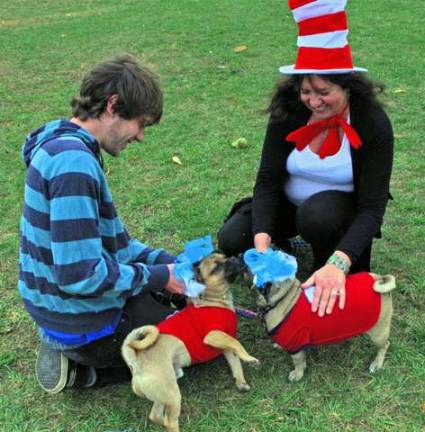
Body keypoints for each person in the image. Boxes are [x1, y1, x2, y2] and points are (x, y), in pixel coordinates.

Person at [18, 54, 186, 394]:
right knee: (188, 341)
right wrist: (161, 277)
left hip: (55, 306)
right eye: (141, 123)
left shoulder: (60, 143)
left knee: (157, 291)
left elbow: (116, 247)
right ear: (114, 104)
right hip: (75, 315)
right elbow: (81, 275)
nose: (140, 137)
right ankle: (85, 368)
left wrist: (166, 262)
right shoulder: (73, 166)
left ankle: (68, 341)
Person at [218, 0, 393, 318]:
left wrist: (339, 263)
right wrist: (261, 243)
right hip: (289, 204)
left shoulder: (372, 123)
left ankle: (330, 264)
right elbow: (268, 180)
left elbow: (372, 208)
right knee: (232, 237)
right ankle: (284, 253)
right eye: (306, 90)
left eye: (324, 91)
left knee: (317, 215)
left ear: (348, 87)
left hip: (337, 211)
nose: (314, 101)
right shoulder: (289, 111)